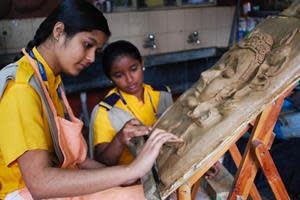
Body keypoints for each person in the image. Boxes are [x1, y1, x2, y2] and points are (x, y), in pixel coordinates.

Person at [0, 0, 181, 199]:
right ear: (59, 31)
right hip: (24, 193)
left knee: (147, 190)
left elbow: (79, 160)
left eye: (96, 50)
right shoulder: (21, 88)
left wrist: (125, 176)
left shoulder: (49, 80)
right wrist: (131, 171)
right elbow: (40, 183)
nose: (92, 58)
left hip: (58, 179)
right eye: (87, 45)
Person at [90, 40, 173, 165]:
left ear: (142, 64)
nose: (129, 79)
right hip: (132, 179)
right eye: (118, 75)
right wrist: (119, 139)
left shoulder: (163, 94)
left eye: (134, 69)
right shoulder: (105, 111)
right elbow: (103, 162)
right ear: (110, 78)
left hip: (167, 167)